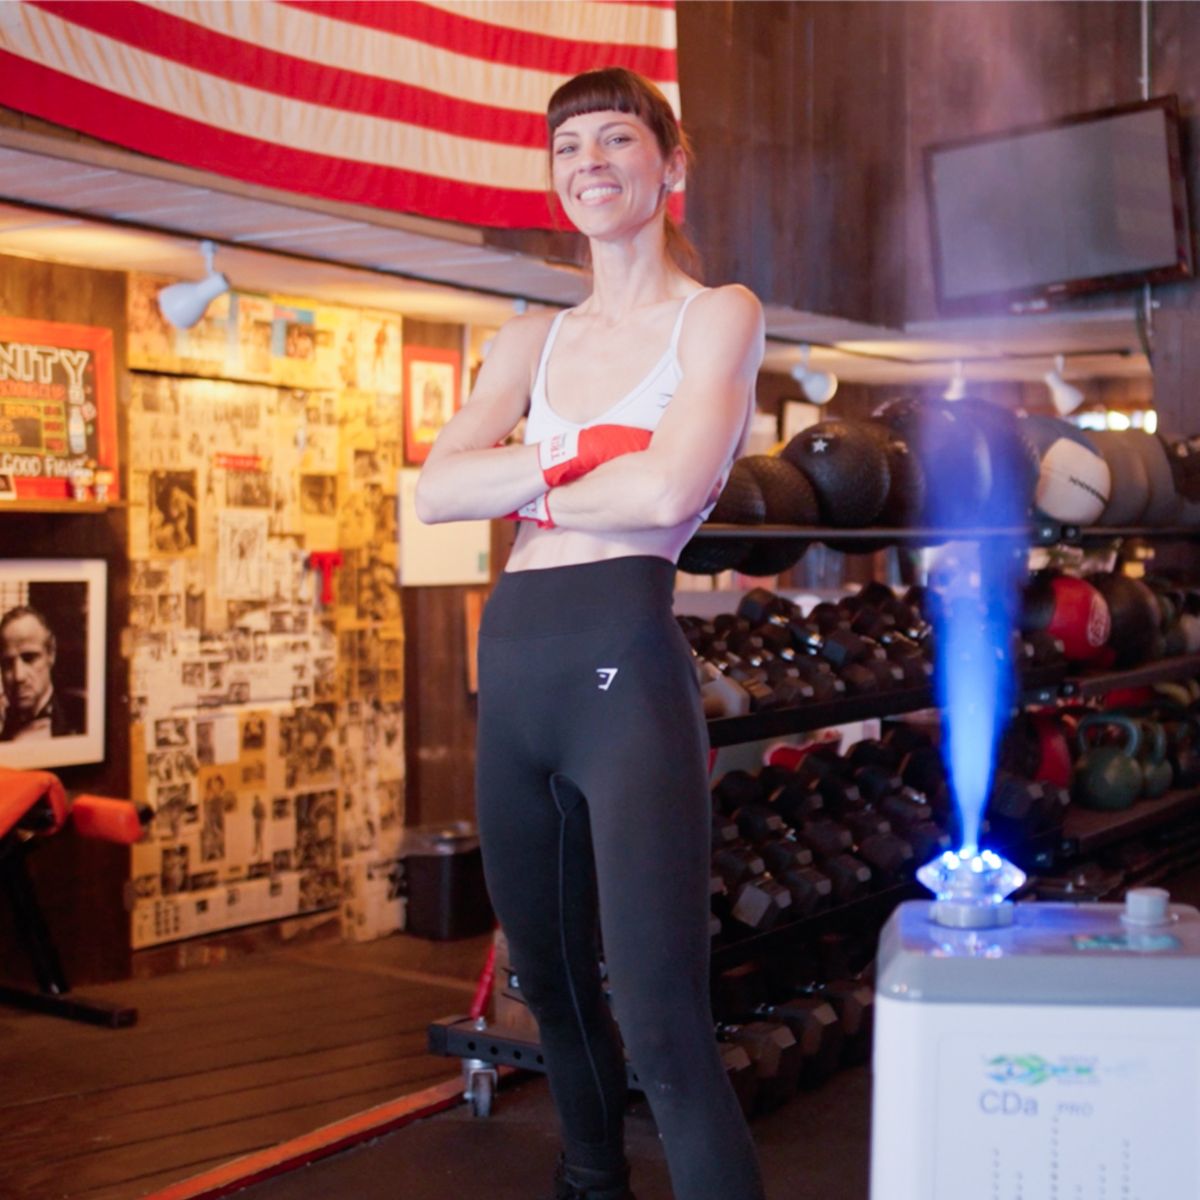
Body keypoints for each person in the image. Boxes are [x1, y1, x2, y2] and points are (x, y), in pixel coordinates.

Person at [416, 67, 765, 1200]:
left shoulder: (717, 314)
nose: (590, 163)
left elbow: (668, 491)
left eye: (617, 139)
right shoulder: (531, 339)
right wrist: (581, 456)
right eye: (568, 146)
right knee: (553, 991)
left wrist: (525, 487)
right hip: (516, 665)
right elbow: (436, 491)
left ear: (671, 165)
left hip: (623, 668)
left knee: (661, 1021)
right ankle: (589, 1182)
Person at [0, 606, 86, 741]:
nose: (18, 676)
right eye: (7, 663)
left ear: (51, 653)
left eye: (29, 658)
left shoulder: (83, 716)